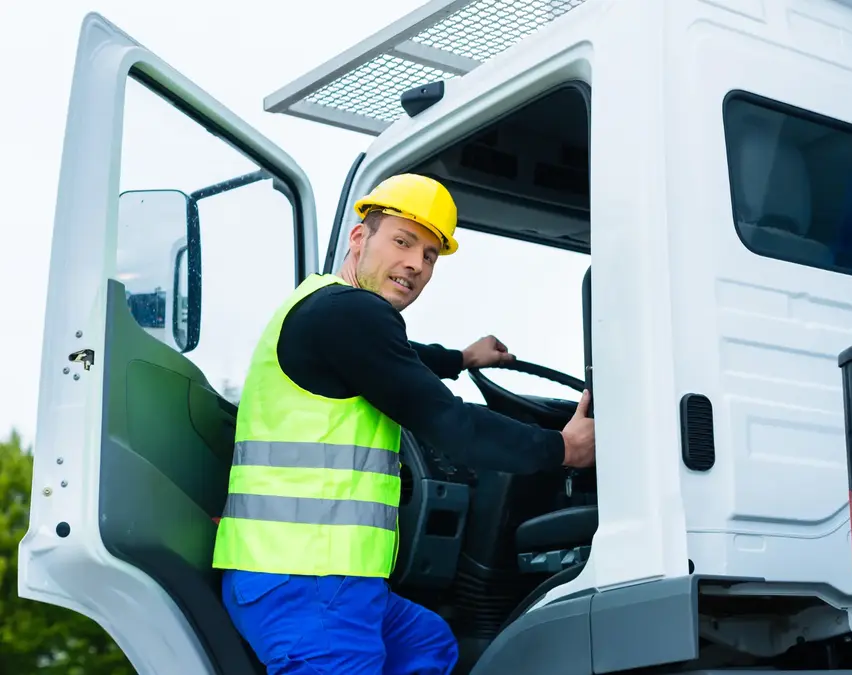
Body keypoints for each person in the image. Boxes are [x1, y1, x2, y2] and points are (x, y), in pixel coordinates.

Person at [211, 173, 596, 675]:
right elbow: (450, 424)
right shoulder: (352, 314)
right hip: (303, 581)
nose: (415, 263)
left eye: (430, 255)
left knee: (427, 644)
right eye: (402, 241)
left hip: (312, 576)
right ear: (359, 238)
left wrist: (462, 358)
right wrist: (562, 448)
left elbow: (396, 359)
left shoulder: (320, 303)